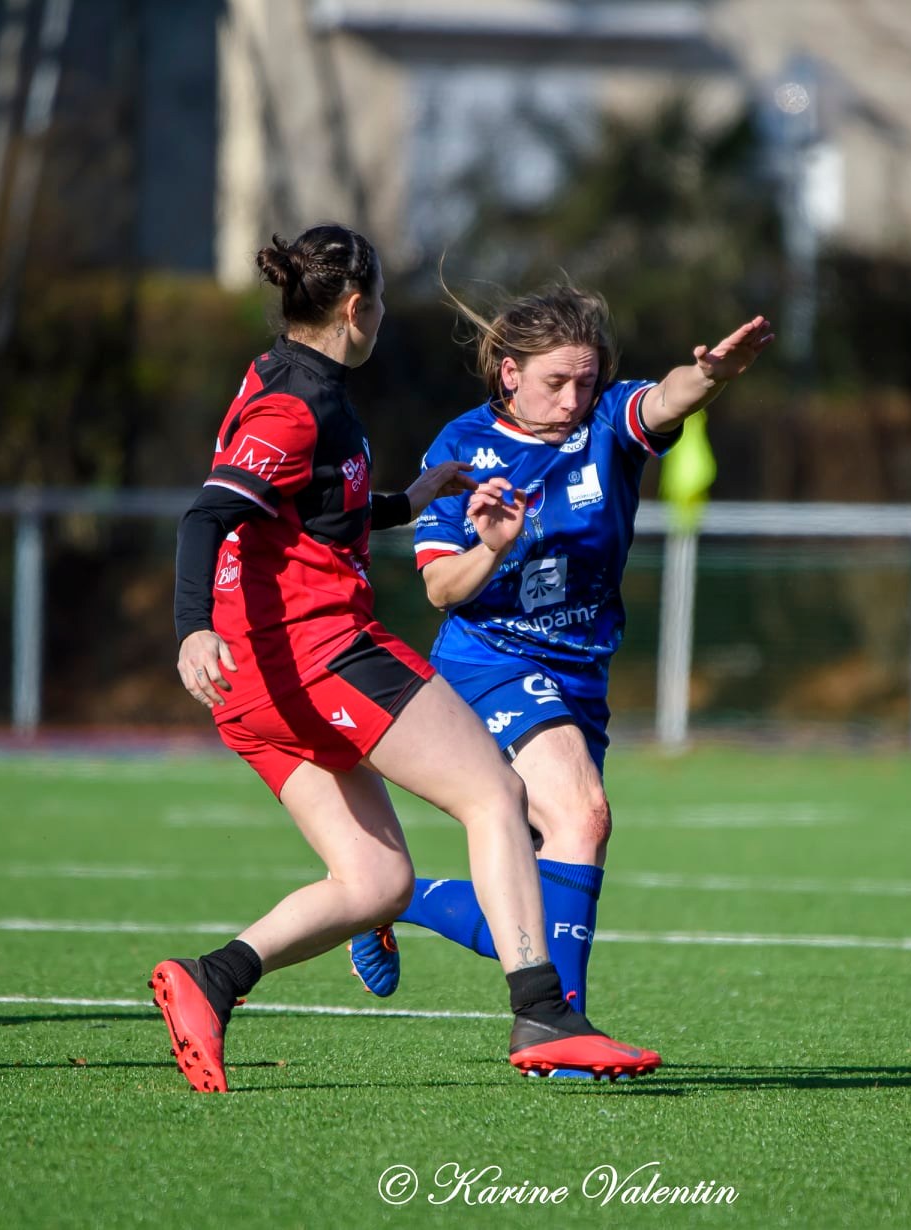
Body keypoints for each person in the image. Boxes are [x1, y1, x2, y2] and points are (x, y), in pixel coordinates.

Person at [152, 224, 662, 1090]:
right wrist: (191, 628)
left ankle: (212, 981)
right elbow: (209, 514)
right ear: (357, 307)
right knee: (494, 795)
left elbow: (312, 509)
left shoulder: (283, 376)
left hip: (259, 687)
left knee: (377, 881)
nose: (385, 314)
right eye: (382, 300)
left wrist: (407, 500)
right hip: (319, 652)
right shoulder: (296, 404)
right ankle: (543, 1012)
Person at [345, 282, 773, 1035]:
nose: (574, 399)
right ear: (509, 372)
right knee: (583, 814)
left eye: (587, 380)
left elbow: (665, 398)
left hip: (582, 672)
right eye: (555, 382)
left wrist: (712, 376)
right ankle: (555, 1030)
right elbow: (442, 589)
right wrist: (492, 547)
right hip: (491, 661)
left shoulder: (607, 421)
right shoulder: (462, 446)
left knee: (537, 900)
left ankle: (394, 898)